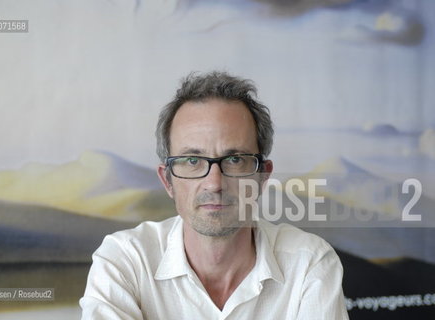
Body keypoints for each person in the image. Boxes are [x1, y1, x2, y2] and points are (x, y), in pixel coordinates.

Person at [80, 71, 349, 319]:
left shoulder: (309, 263)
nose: (214, 183)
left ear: (262, 176)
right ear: (167, 180)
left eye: (234, 159)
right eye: (192, 160)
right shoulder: (124, 260)